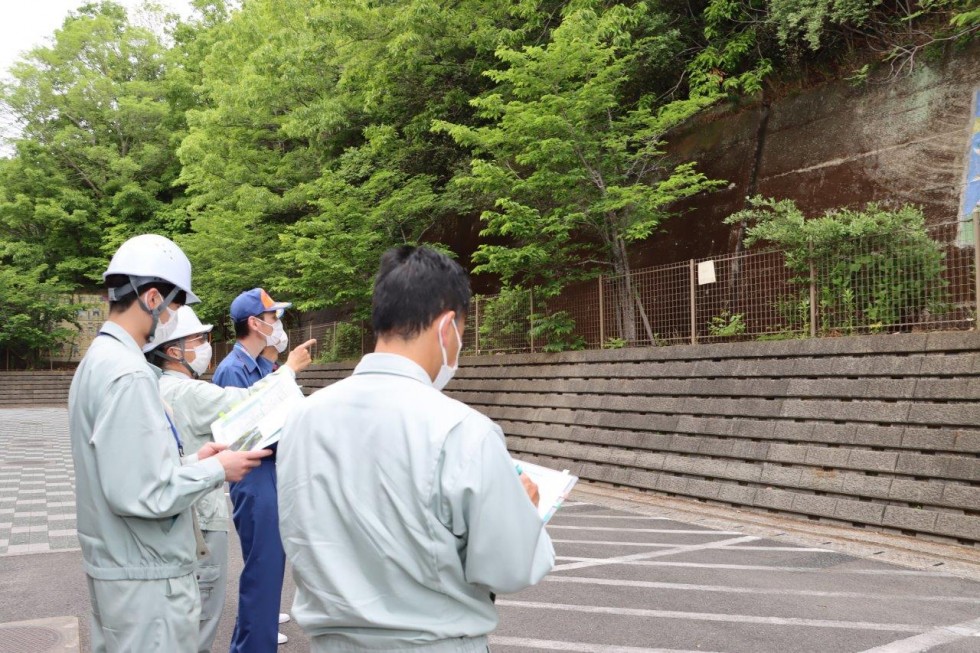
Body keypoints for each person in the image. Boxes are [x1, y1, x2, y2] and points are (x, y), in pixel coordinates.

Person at [278, 246, 555, 652]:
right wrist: (525, 512)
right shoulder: (464, 431)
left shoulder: (302, 419)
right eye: (462, 331)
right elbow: (508, 569)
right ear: (447, 327)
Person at [69, 234, 271, 653]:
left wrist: (195, 460)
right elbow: (145, 494)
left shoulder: (97, 362)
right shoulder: (129, 374)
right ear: (153, 298)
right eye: (175, 308)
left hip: (121, 573)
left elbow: (130, 470)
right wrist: (218, 469)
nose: (173, 318)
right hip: (147, 585)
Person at [144, 306, 315, 652]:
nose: (206, 344)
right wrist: (290, 371)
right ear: (174, 351)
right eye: (199, 339)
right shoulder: (191, 388)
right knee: (206, 612)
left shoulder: (164, 388)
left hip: (201, 501)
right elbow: (246, 404)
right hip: (207, 509)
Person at [213, 288, 301, 650]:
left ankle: (258, 630)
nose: (277, 324)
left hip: (273, 469)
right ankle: (253, 642)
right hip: (253, 472)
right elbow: (244, 431)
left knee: (271, 560)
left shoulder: (266, 366)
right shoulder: (232, 369)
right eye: (272, 317)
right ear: (254, 323)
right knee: (262, 562)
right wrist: (288, 375)